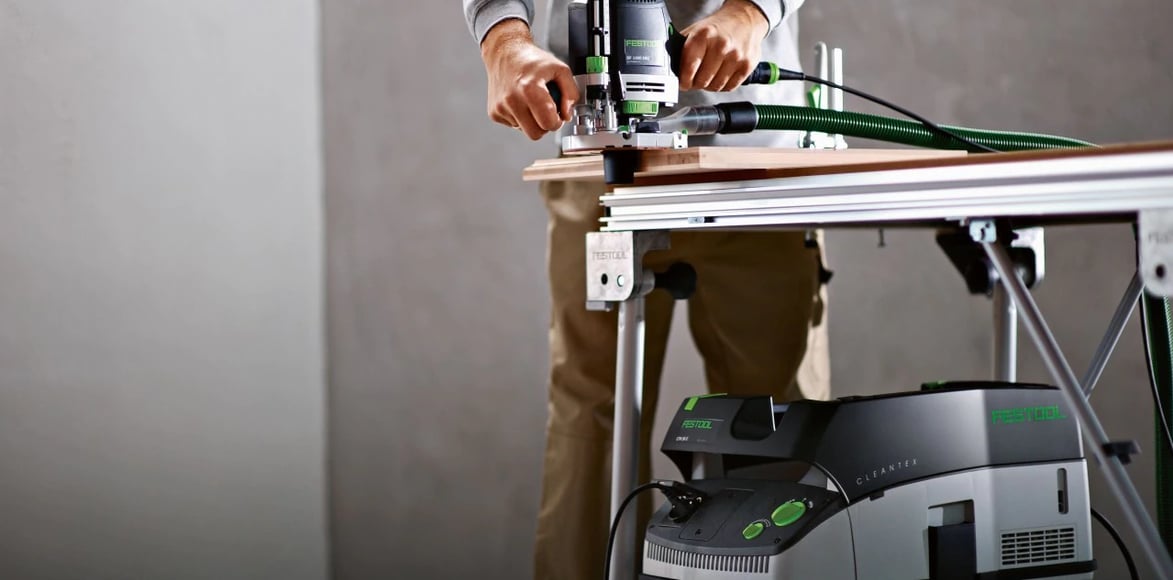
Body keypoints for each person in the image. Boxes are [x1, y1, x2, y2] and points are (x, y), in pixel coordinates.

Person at [463, 1, 831, 578]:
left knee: (776, 421)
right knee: (591, 417)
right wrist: (503, 42)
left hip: (753, 166)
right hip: (602, 155)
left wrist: (750, 12)